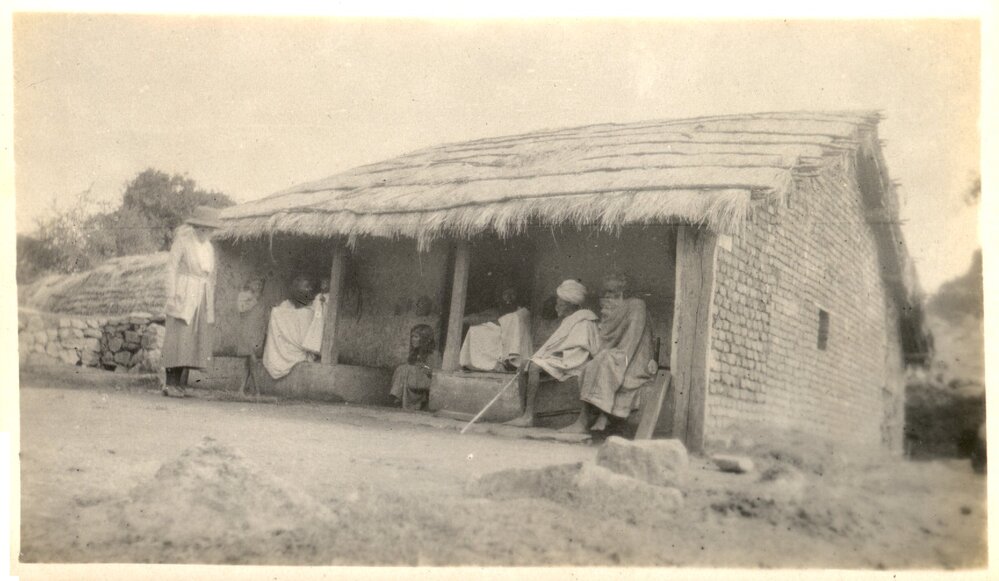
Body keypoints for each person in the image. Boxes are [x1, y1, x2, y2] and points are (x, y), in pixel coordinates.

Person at [564, 273, 656, 434]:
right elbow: (606, 339)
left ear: (623, 291)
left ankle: (584, 421)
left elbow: (631, 342)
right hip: (620, 355)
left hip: (636, 358)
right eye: (605, 292)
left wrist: (615, 356)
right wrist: (607, 317)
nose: (607, 296)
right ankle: (596, 418)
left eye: (612, 291)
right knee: (593, 364)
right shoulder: (614, 309)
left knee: (604, 361)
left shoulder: (636, 305)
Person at [504, 279, 600, 427]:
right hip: (560, 358)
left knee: (534, 366)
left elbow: (580, 348)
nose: (557, 304)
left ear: (569, 303)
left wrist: (554, 355)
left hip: (575, 360)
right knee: (524, 364)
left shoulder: (584, 319)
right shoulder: (569, 319)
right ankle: (524, 413)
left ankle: (529, 416)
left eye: (560, 301)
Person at [161, 206, 222, 397]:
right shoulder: (183, 242)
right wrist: (171, 294)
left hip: (202, 294)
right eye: (204, 229)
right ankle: (170, 383)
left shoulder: (209, 248)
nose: (207, 233)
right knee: (179, 336)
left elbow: (211, 275)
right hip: (184, 292)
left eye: (210, 230)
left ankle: (180, 384)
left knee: (192, 339)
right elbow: (171, 268)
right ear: (197, 227)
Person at [459, 286, 532, 372]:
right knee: (474, 329)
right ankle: (484, 364)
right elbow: (468, 319)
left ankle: (507, 363)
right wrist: (492, 319)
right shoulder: (497, 311)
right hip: (500, 338)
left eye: (512, 294)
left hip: (514, 343)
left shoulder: (522, 312)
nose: (509, 297)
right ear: (500, 297)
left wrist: (499, 320)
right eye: (506, 294)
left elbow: (511, 321)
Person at [261, 275, 322, 379]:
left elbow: (316, 312)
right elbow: (279, 311)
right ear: (297, 288)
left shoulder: (314, 304)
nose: (309, 289)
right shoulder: (287, 304)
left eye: (309, 287)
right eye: (305, 286)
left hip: (301, 345)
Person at [390, 324, 439, 410]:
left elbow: (434, 372)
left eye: (416, 337)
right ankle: (399, 400)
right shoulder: (415, 353)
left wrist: (423, 366)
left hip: (426, 380)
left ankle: (397, 398)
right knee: (403, 369)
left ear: (424, 338)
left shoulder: (434, 354)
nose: (413, 339)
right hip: (412, 380)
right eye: (412, 336)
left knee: (405, 370)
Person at [236, 277, 268, 396]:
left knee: (248, 362)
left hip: (255, 334)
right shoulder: (245, 296)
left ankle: (241, 389)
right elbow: (241, 309)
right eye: (256, 283)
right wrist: (254, 299)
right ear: (250, 283)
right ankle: (257, 390)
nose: (259, 286)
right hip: (246, 333)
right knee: (253, 361)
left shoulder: (260, 298)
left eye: (261, 284)